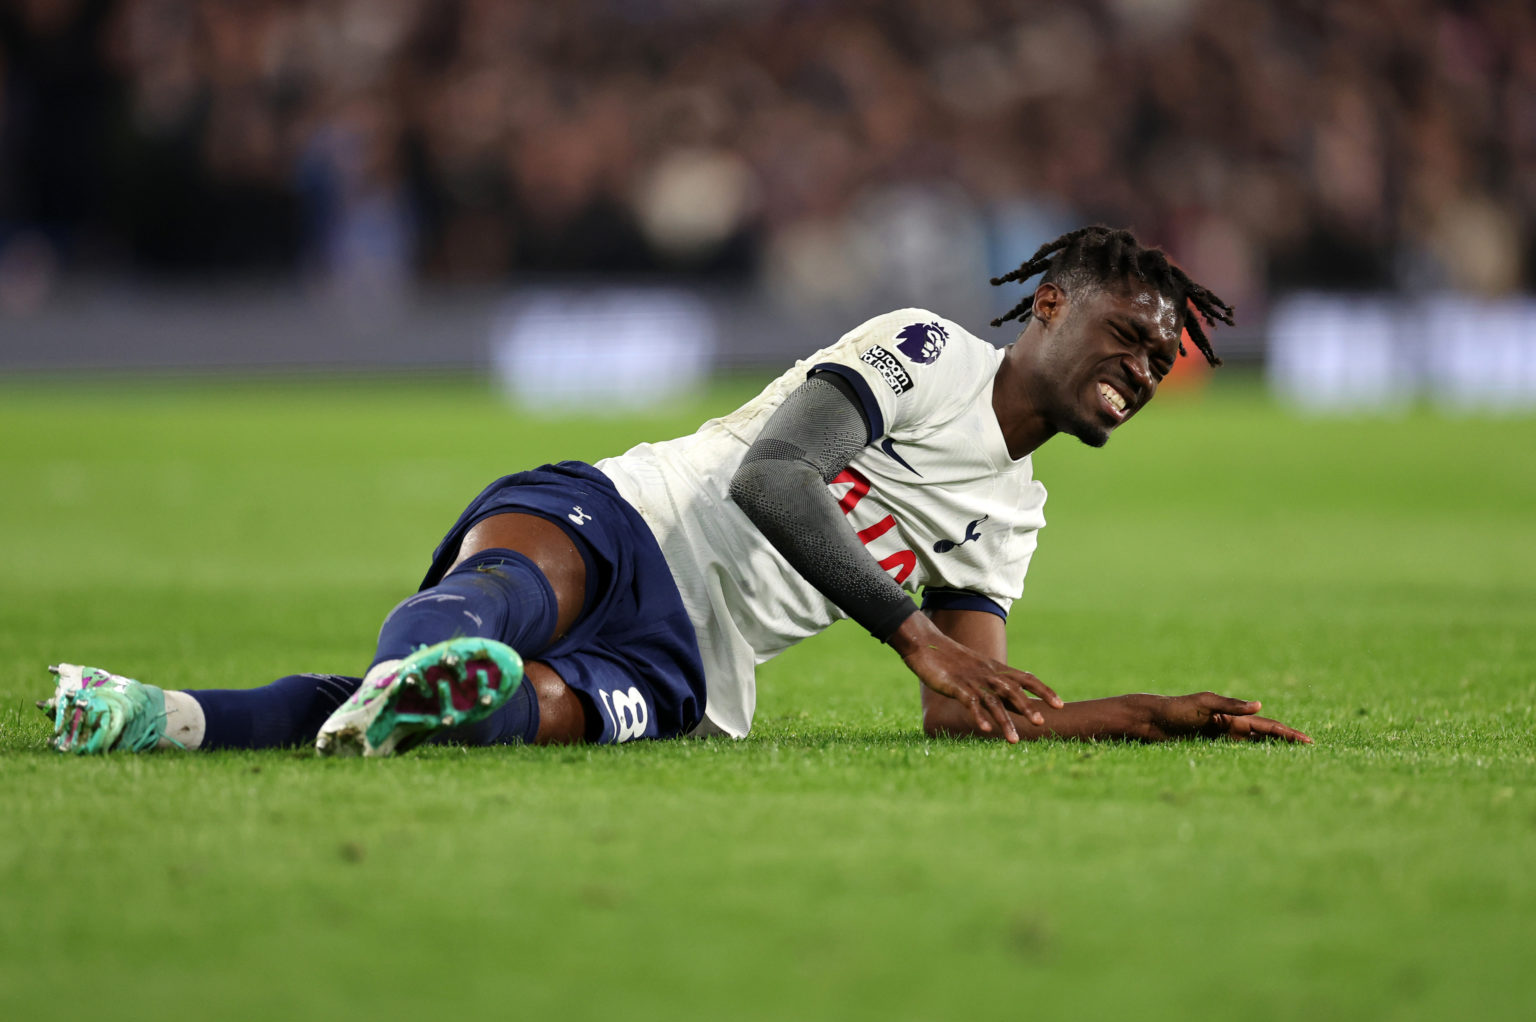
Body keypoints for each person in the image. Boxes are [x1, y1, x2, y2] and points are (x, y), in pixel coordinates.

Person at [40, 226, 1311, 756]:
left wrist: (1141, 713)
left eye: (1162, 358)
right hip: (638, 512)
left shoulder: (1015, 515)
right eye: (1129, 337)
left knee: (500, 708)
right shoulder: (928, 352)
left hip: (688, 665)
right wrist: (914, 633)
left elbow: (959, 711)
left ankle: (157, 718)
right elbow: (773, 474)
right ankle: (411, 675)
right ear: (1047, 304)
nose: (1144, 370)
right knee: (501, 601)